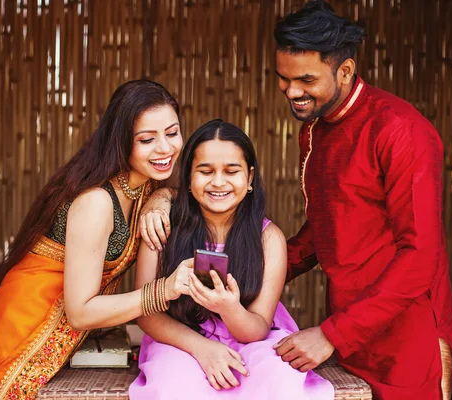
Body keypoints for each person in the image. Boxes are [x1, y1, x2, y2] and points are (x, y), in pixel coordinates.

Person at [138, 2, 452, 399]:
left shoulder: (401, 131)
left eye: (306, 79)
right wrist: (169, 200)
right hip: (346, 325)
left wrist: (332, 333)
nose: (292, 91)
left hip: (404, 334)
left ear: (344, 70)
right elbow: (326, 231)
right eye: (284, 78)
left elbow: (420, 256)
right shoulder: (315, 132)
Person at [0, 80, 189, 400]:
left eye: (172, 133)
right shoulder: (97, 202)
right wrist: (163, 290)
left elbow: (174, 190)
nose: (165, 148)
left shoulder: (142, 184)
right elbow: (80, 311)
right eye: (147, 139)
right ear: (121, 141)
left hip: (67, 330)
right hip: (27, 326)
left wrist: (161, 197)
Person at [129, 120, 334, 400]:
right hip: (179, 339)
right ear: (188, 177)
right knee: (173, 387)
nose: (218, 181)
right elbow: (146, 312)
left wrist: (229, 309)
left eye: (231, 171)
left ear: (249, 178)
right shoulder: (163, 228)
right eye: (205, 171)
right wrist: (202, 348)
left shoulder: (268, 238)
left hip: (251, 338)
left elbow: (258, 328)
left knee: (278, 378)